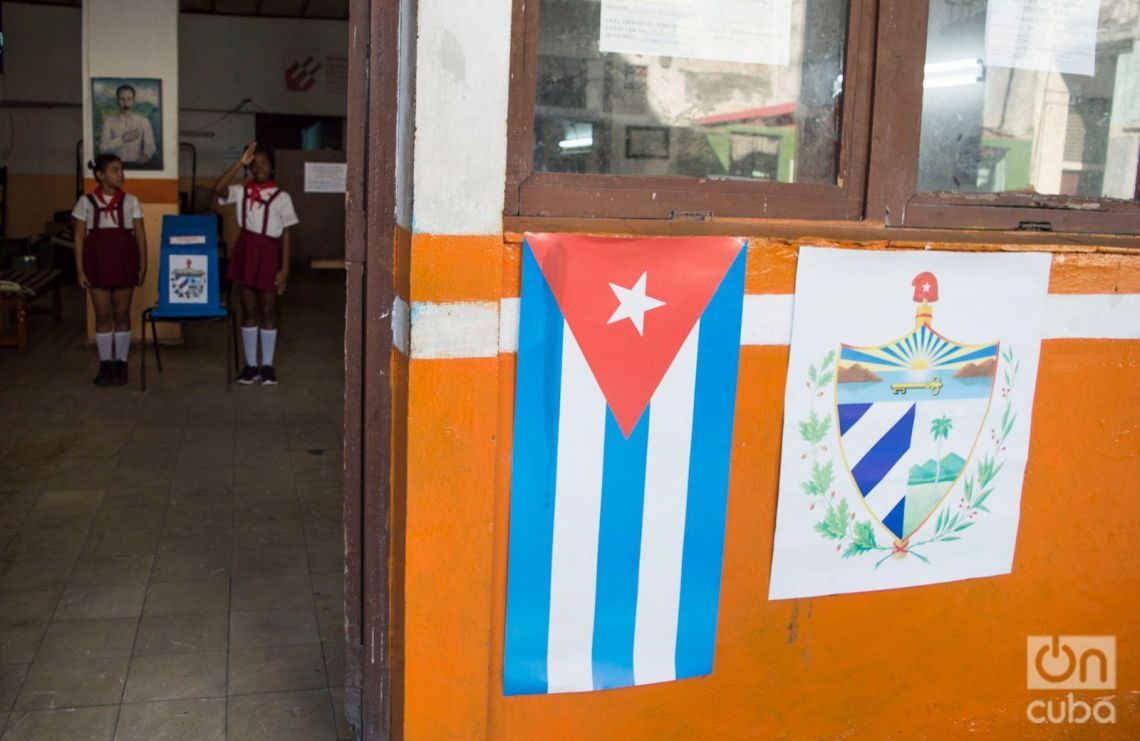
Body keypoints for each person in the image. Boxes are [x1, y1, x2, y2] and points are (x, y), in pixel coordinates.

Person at [213, 142, 298, 385]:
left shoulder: (282, 197)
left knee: (268, 310)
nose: (260, 167)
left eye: (265, 163)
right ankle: (251, 366)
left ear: (272, 168)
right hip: (246, 250)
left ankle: (267, 366)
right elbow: (218, 189)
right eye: (255, 163)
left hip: (269, 253)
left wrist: (284, 270)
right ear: (249, 167)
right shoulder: (242, 191)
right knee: (248, 309)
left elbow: (287, 235)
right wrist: (239, 162)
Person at [72, 153, 148, 386]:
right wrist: (80, 270)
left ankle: (121, 364)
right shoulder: (85, 202)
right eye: (114, 170)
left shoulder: (131, 201)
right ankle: (105, 364)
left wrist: (143, 263)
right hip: (97, 262)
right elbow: (79, 238)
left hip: (124, 260)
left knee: (122, 314)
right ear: (100, 175)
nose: (120, 175)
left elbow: (140, 235)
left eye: (121, 170)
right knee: (103, 316)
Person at [99, 84, 157, 166]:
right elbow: (102, 148)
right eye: (121, 99)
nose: (125, 103)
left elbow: (150, 146)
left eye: (129, 99)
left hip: (137, 165)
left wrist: (146, 155)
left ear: (134, 101)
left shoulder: (144, 122)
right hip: (115, 166)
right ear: (117, 101)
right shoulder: (108, 121)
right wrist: (123, 139)